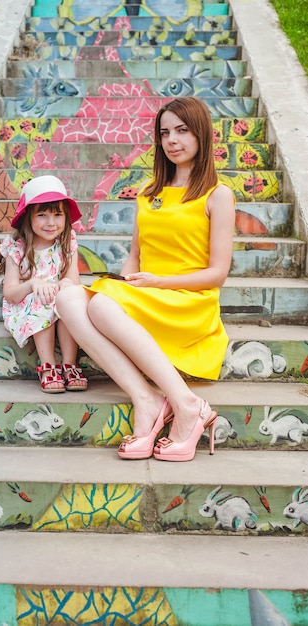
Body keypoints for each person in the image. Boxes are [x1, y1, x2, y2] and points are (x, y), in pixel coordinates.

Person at [56, 96, 236, 460]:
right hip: (148, 292)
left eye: (182, 131)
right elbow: (134, 257)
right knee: (68, 298)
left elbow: (217, 274)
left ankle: (187, 405)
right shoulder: (148, 192)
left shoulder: (218, 195)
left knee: (103, 304)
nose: (172, 140)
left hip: (187, 301)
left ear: (202, 134)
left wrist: (155, 283)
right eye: (165, 132)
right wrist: (127, 285)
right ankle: (148, 400)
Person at [0, 175, 88, 393]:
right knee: (42, 301)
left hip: (56, 300)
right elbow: (10, 294)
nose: (51, 222)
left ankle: (69, 364)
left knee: (67, 300)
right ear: (28, 217)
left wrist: (65, 284)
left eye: (58, 214)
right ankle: (48, 366)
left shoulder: (67, 243)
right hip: (25, 305)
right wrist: (32, 284)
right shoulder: (16, 248)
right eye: (42, 215)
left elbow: (73, 278)